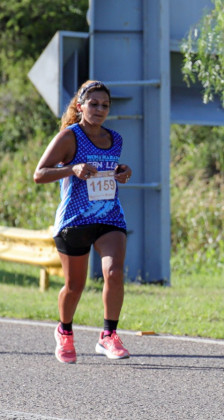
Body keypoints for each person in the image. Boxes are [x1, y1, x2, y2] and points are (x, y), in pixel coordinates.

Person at [33, 80, 133, 364]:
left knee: (113, 273)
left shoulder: (115, 139)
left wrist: (123, 172)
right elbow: (39, 174)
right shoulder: (70, 136)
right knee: (75, 285)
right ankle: (64, 331)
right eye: (94, 104)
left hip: (109, 215)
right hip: (75, 220)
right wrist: (71, 168)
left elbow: (111, 172)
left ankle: (108, 335)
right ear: (80, 106)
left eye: (105, 105)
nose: (100, 109)